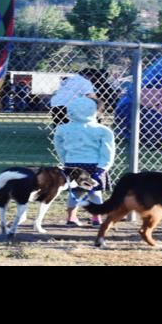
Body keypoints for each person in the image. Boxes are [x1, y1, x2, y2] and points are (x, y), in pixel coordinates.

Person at [54, 97, 117, 227]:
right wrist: (103, 167)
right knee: (95, 192)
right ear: (94, 111)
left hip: (72, 165)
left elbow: (59, 147)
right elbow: (108, 151)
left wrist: (65, 161)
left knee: (75, 192)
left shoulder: (62, 129)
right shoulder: (103, 130)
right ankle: (96, 218)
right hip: (95, 165)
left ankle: (71, 218)